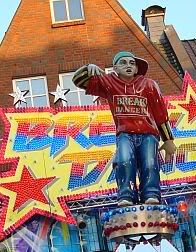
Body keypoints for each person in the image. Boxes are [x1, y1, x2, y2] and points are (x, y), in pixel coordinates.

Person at [72, 51, 176, 206]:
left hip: (148, 133)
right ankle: (126, 194)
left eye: (132, 63)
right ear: (115, 68)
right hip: (125, 134)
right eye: (123, 62)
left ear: (136, 69)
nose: (128, 66)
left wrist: (168, 140)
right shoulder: (110, 83)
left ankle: (151, 193)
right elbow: (78, 81)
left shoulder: (149, 84)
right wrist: (88, 69)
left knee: (150, 163)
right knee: (124, 161)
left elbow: (160, 113)